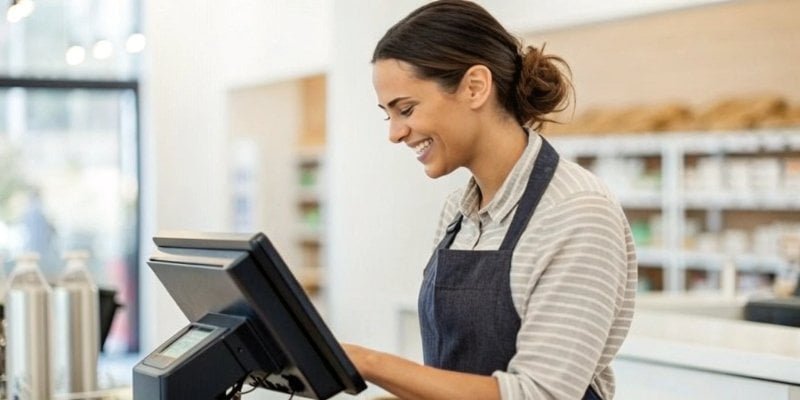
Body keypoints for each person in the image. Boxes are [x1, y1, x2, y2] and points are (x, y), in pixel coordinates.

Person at [342, 1, 637, 399]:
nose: (395, 133)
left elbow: (540, 394)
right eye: (388, 115)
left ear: (475, 87)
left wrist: (368, 362)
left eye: (406, 109)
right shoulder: (458, 214)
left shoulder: (576, 211)